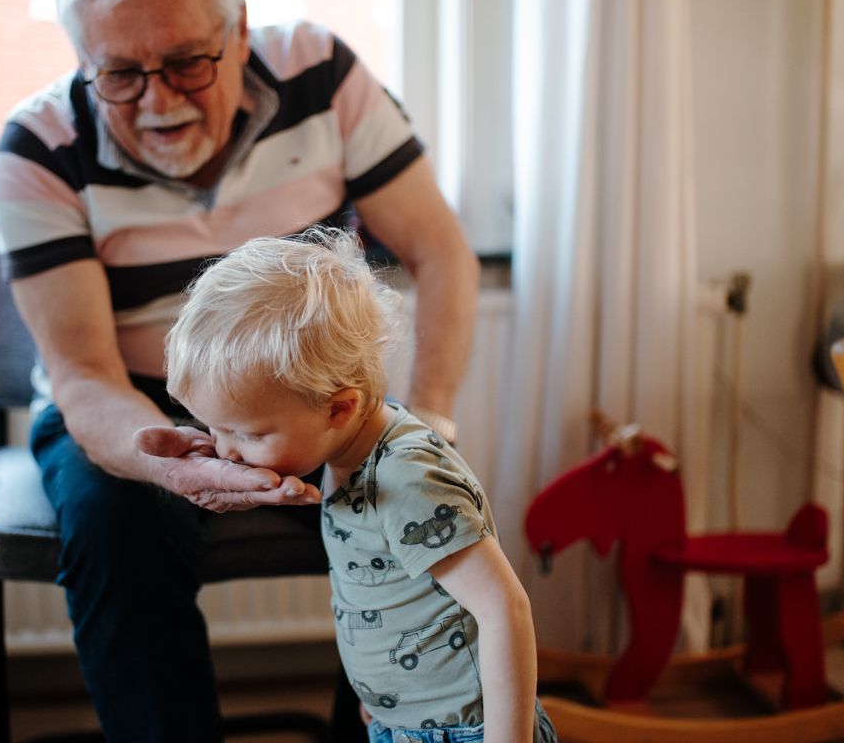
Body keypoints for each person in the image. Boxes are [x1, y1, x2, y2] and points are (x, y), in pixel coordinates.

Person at [0, 0, 480, 739]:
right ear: (81, 59)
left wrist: (431, 426)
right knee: (116, 528)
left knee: (414, 501)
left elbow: (442, 252)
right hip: (130, 399)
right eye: (120, 74)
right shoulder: (37, 149)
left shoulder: (321, 73)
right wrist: (164, 462)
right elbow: (83, 375)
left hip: (306, 386)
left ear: (240, 29)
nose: (158, 102)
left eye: (187, 62)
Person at [161, 229, 555, 743]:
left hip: (464, 731)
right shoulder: (348, 447)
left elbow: (504, 608)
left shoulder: (407, 477)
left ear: (338, 408)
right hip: (403, 723)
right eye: (215, 428)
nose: (227, 451)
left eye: (249, 434)